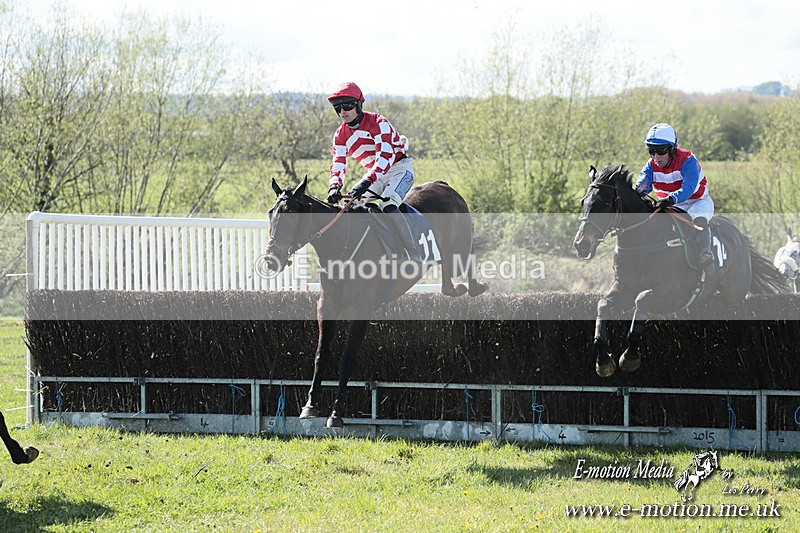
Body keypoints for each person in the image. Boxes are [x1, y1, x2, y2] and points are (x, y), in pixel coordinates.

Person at [325, 81, 422, 262]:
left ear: (359, 105)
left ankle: (412, 252)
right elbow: (338, 162)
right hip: (375, 175)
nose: (342, 112)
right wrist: (334, 187)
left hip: (399, 169)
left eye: (347, 106)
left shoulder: (378, 122)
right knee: (353, 207)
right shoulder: (340, 135)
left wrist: (366, 182)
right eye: (337, 108)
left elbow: (384, 158)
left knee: (388, 205)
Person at [635, 122, 714, 271]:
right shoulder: (650, 165)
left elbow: (688, 188)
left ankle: (706, 253)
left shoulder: (688, 160)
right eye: (651, 151)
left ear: (672, 149)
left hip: (697, 201)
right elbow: (642, 186)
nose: (656, 157)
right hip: (672, 205)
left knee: (699, 216)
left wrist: (671, 199)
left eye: (660, 151)